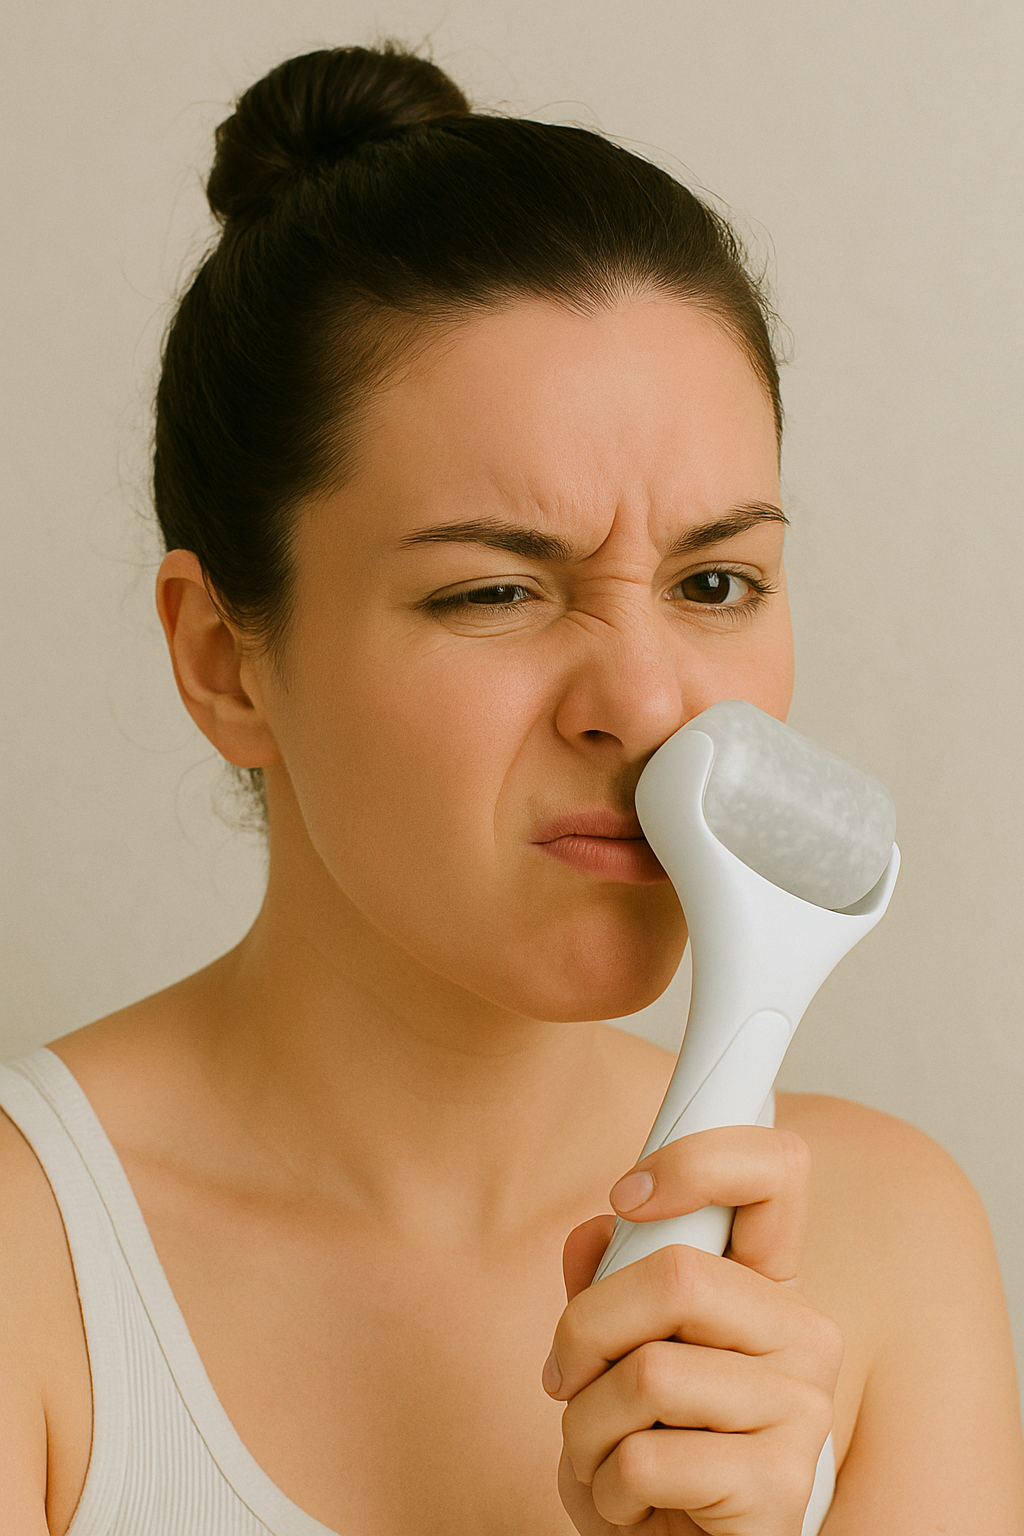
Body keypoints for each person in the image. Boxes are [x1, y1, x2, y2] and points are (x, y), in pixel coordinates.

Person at [1, 41, 1021, 1536]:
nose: (650, 704)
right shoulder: (32, 1267)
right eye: (493, 593)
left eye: (717, 579)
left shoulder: (890, 1250)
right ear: (226, 660)